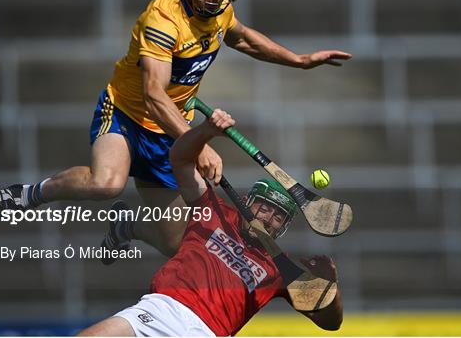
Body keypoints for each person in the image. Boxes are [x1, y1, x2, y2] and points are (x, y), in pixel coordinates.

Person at [0, 0, 352, 256]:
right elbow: (154, 95)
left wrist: (300, 61)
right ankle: (28, 194)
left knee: (175, 243)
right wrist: (198, 146)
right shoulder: (162, 20)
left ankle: (127, 227)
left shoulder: (219, 12)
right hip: (127, 115)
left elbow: (244, 38)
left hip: (169, 129)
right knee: (106, 184)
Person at [78, 109, 343, 337]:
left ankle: (128, 227)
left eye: (277, 217)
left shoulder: (279, 268)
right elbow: (180, 158)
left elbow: (331, 323)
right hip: (159, 308)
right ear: (246, 202)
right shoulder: (215, 210)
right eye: (264, 207)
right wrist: (205, 132)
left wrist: (330, 286)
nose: (268, 219)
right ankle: (128, 227)